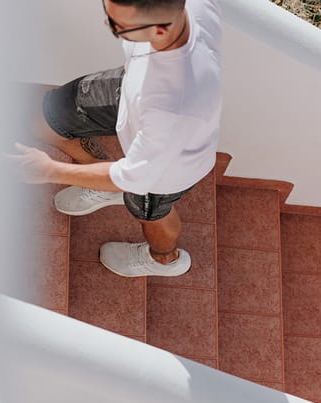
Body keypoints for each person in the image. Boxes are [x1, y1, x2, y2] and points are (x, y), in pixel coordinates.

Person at [12, 0, 223, 277]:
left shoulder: (174, 106)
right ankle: (104, 182)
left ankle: (163, 259)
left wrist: (50, 170)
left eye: (116, 25)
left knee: (149, 212)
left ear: (159, 30)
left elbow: (135, 177)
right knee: (46, 117)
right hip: (129, 88)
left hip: (165, 170)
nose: (107, 25)